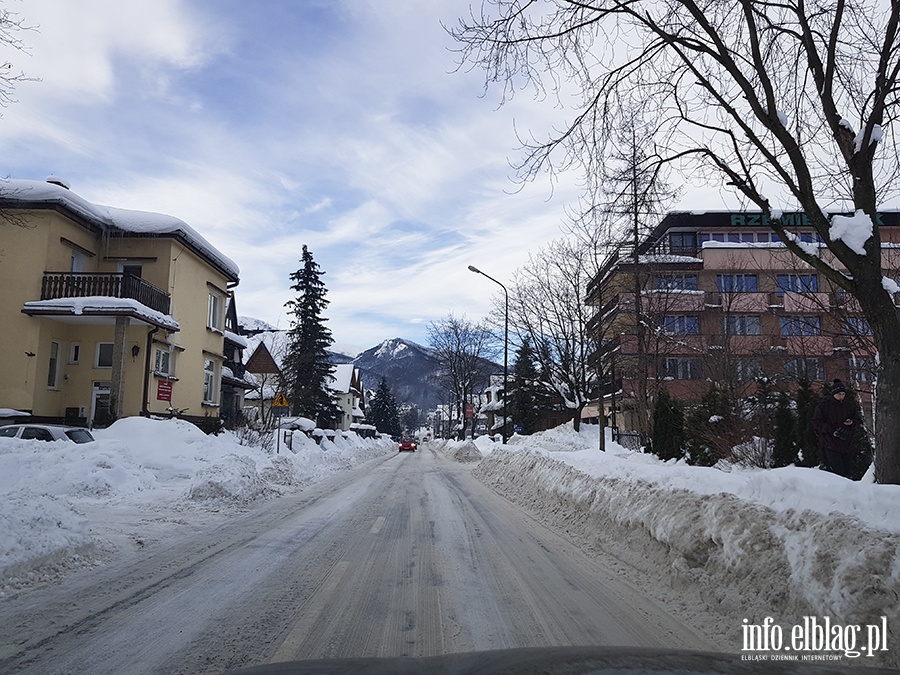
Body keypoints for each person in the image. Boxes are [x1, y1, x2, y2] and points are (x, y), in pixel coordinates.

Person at [812, 379, 860, 478]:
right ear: (833, 394)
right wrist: (831, 431)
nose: (841, 396)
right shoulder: (824, 406)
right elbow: (816, 422)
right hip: (830, 443)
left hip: (846, 443)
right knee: (837, 473)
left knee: (847, 472)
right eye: (839, 394)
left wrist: (852, 422)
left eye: (843, 394)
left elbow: (858, 420)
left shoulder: (849, 406)